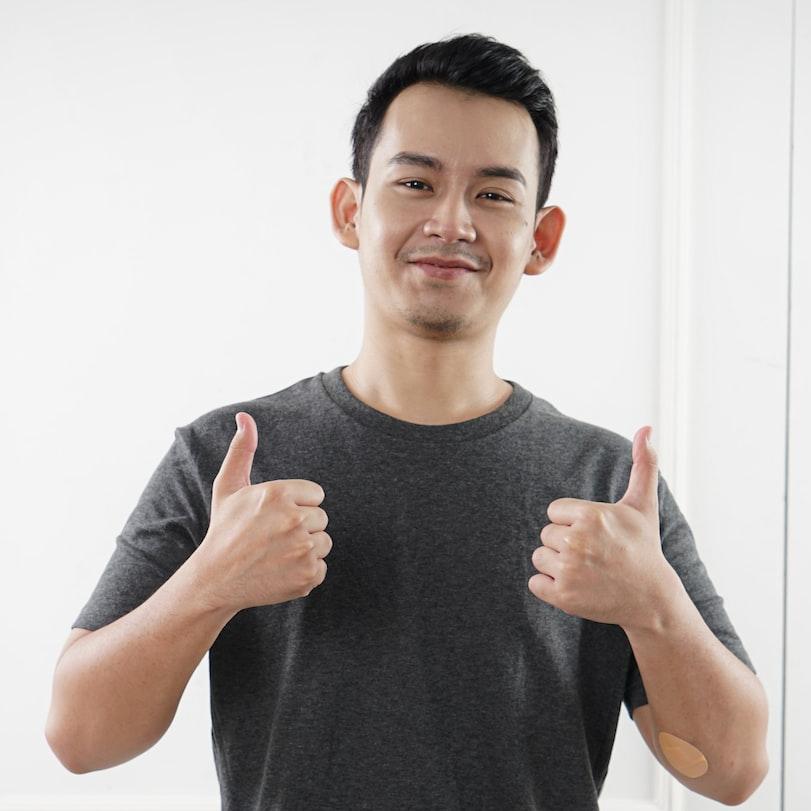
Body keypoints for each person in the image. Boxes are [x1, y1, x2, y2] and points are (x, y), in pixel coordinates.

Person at [45, 32, 767, 809]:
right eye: (415, 183)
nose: (451, 221)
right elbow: (81, 738)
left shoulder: (610, 488)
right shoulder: (228, 460)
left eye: (493, 194)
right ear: (351, 210)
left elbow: (730, 771)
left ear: (541, 239)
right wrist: (209, 584)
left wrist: (651, 605)